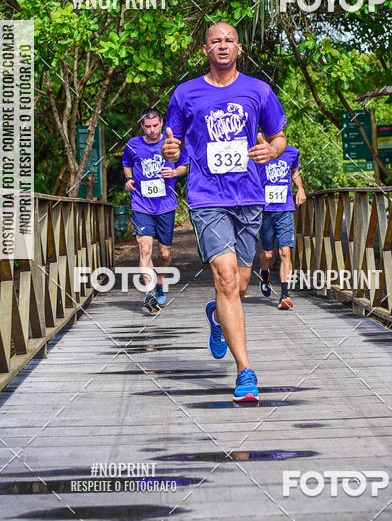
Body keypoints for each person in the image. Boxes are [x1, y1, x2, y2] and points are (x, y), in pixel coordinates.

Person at [162, 22, 287, 403]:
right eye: (215, 40)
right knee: (227, 278)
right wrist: (171, 151)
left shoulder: (258, 90)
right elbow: (174, 143)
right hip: (206, 197)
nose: (222, 45)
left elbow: (279, 136)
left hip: (249, 196)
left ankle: (217, 317)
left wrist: (272, 151)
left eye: (228, 40)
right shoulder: (185, 94)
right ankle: (245, 371)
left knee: (241, 284)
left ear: (239, 49)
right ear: (205, 50)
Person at [123, 108, 189, 313]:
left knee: (164, 253)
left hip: (165, 205)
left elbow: (184, 166)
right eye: (147, 126)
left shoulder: (172, 143)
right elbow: (126, 163)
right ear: (142, 125)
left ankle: (160, 284)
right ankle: (150, 293)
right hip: (141, 204)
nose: (151, 130)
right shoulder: (133, 145)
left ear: (162, 123)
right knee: (144, 248)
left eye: (155, 126)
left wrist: (174, 171)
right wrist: (128, 179)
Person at [257, 145, 306, 309]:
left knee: (285, 251)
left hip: (285, 209)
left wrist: (300, 188)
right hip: (265, 211)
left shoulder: (291, 152)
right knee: (268, 254)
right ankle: (265, 274)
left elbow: (295, 172)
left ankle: (285, 294)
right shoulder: (259, 151)